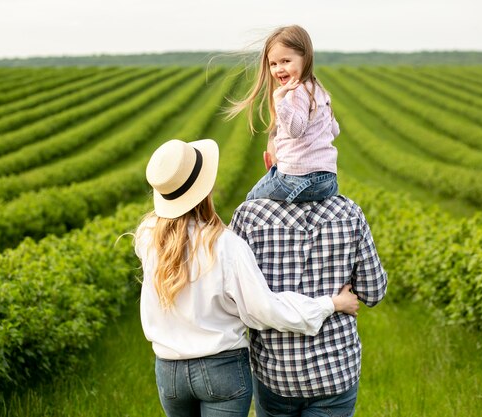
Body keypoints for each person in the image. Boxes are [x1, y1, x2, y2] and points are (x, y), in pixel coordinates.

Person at [133, 138, 360, 417]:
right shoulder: (225, 245)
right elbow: (264, 310)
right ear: (206, 188)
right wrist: (331, 304)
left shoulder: (147, 237)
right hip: (221, 369)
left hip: (168, 373)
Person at [229, 145, 388, 416]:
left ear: (269, 161)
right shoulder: (350, 213)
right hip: (335, 372)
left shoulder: (249, 216)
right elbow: (373, 292)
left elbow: (233, 296)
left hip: (276, 373)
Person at [226, 24, 340, 204]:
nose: (278, 69)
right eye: (273, 64)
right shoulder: (319, 91)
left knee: (251, 200)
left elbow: (296, 130)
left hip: (298, 179)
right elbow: (334, 131)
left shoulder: (296, 92)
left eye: (286, 61)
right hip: (328, 180)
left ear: (306, 58)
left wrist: (280, 100)